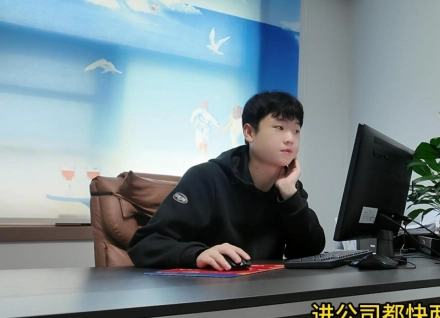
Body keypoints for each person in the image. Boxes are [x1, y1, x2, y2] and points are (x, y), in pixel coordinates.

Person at [128, 90, 326, 269]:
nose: (290, 138)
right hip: (207, 291)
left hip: (265, 289)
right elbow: (145, 244)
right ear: (249, 132)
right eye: (279, 127)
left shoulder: (288, 185)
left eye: (296, 130)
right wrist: (197, 254)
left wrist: (291, 197)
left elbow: (309, 250)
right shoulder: (206, 178)